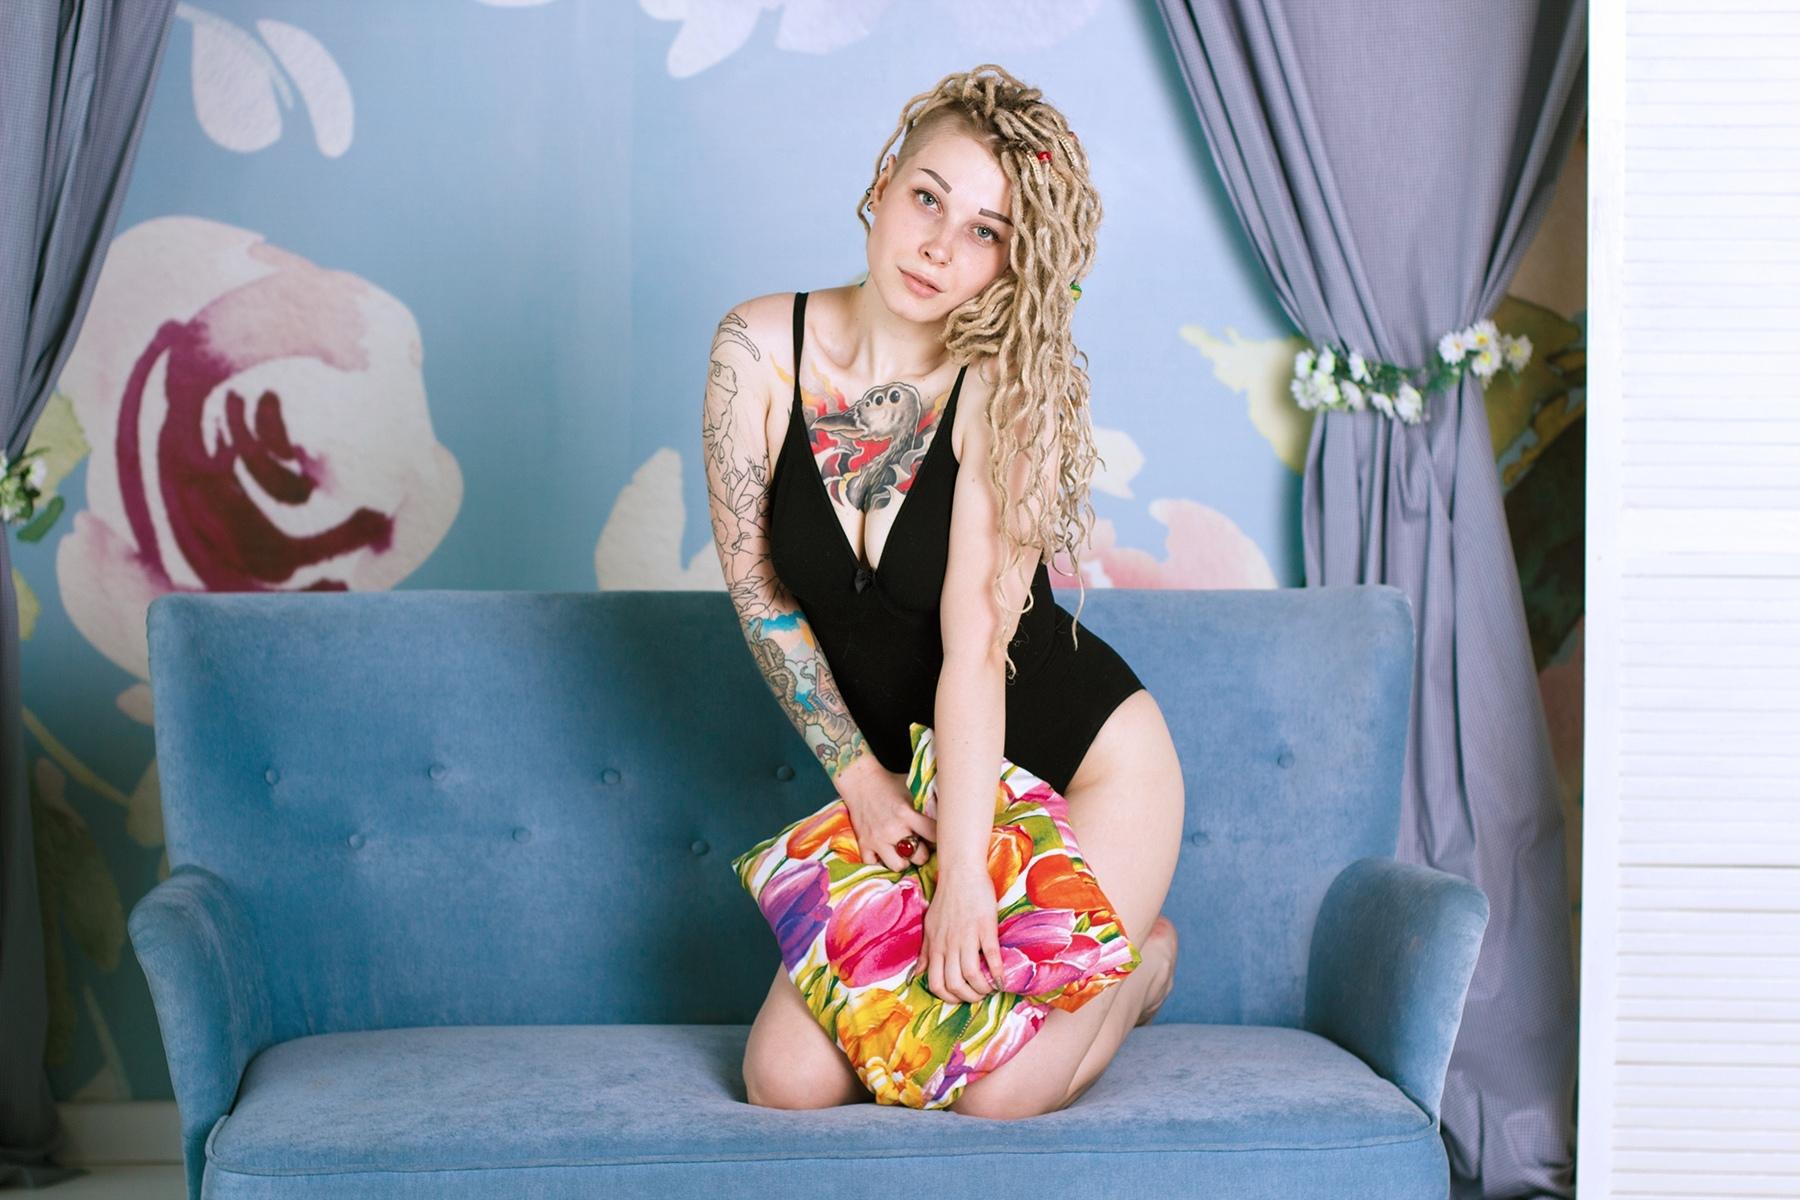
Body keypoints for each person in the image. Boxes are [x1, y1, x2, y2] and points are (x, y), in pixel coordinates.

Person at [701, 63, 1184, 1120]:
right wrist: (861, 781)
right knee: (783, 1082)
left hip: (1085, 764)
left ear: (1011, 261)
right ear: (884, 184)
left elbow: (975, 651)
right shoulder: (756, 351)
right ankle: (1080, 949)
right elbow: (760, 590)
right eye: (928, 197)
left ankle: (1141, 967)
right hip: (915, 785)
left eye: (985, 231)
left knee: (998, 1099)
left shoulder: (1001, 391)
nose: (938, 246)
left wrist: (964, 879)